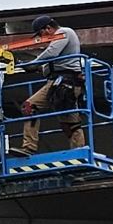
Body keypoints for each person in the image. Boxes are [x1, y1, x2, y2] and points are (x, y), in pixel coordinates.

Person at [6, 15, 83, 150]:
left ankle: (29, 147)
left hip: (61, 83)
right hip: (68, 83)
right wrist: (38, 67)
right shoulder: (65, 36)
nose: (42, 38)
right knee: (70, 123)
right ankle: (79, 150)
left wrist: (33, 64)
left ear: (47, 28)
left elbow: (51, 53)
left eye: (41, 34)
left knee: (29, 107)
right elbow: (54, 60)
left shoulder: (63, 32)